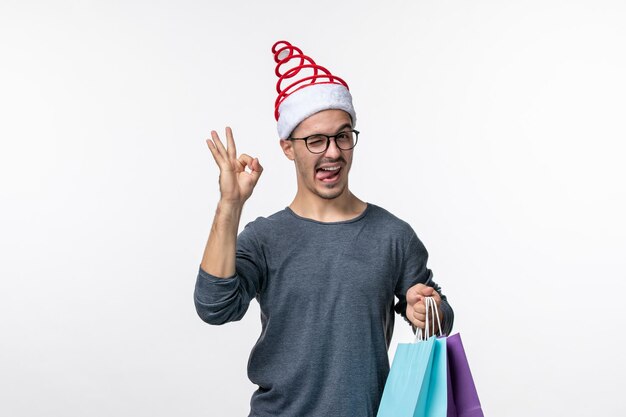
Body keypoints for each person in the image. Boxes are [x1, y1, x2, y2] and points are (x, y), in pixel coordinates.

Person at [194, 40, 454, 417]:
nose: (332, 152)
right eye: (316, 140)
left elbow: (440, 315)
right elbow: (214, 307)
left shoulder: (393, 235)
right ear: (288, 147)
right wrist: (230, 205)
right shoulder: (264, 238)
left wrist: (428, 309)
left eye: (343, 136)